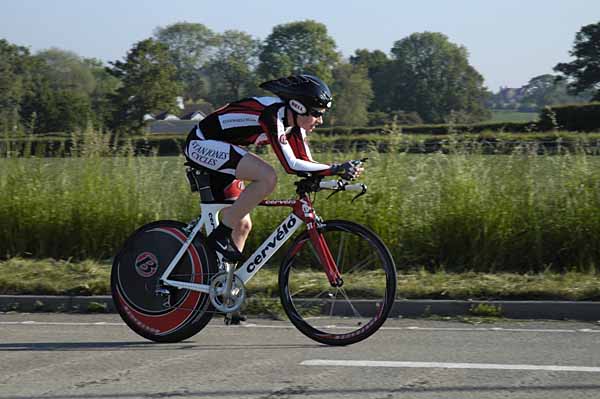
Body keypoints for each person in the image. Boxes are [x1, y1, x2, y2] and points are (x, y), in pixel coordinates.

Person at [184, 74, 363, 263]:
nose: (320, 121)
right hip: (201, 143)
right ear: (298, 107)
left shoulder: (293, 124)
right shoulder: (272, 115)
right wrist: (334, 168)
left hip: (224, 147)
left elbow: (305, 162)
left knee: (242, 225)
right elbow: (291, 164)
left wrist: (331, 175)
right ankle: (219, 235)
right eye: (317, 113)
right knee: (267, 177)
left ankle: (222, 287)